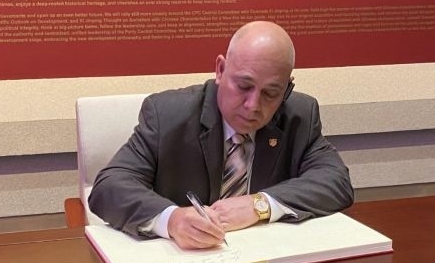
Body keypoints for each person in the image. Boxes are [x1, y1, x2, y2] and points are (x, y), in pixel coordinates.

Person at [88, 21, 354, 249]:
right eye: (244, 86)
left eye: (271, 93)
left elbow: (335, 181)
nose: (253, 105)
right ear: (220, 70)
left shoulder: (300, 116)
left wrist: (259, 205)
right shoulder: (166, 115)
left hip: (265, 262)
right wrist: (171, 219)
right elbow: (109, 186)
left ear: (287, 90)